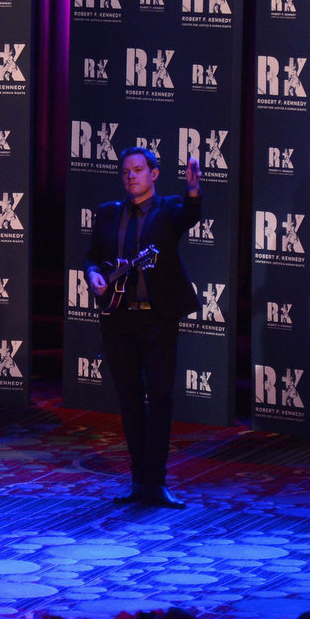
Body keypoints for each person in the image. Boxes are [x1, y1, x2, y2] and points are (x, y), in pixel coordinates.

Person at [83, 145, 202, 507]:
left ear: (153, 174)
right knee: (130, 400)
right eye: (125, 171)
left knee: (161, 398)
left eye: (137, 170)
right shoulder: (107, 214)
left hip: (158, 319)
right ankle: (138, 481)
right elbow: (91, 257)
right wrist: (92, 275)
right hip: (118, 320)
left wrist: (194, 190)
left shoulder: (169, 210)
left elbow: (190, 216)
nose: (131, 176)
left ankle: (157, 482)